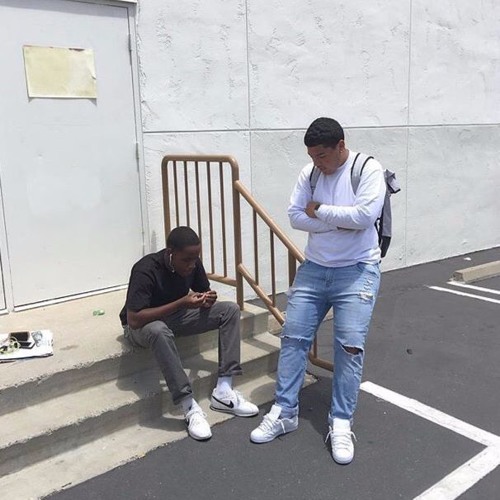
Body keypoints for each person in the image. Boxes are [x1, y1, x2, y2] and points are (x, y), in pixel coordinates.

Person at [250, 117, 386, 464]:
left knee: (349, 348)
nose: (317, 163)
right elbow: (295, 217)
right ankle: (284, 411)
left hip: (357, 270)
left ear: (341, 145)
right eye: (312, 156)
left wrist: (321, 211)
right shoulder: (309, 173)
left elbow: (364, 217)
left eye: (322, 156)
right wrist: (339, 224)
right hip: (314, 269)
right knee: (293, 338)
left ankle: (340, 422)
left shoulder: (367, 169)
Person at [120, 226, 258, 441]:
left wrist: (207, 299)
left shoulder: (192, 261)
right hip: (141, 327)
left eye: (195, 259)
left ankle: (224, 390)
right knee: (158, 329)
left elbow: (202, 290)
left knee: (230, 310)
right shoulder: (145, 269)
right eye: (186, 260)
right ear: (170, 253)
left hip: (175, 317)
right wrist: (181, 303)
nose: (192, 264)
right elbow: (134, 318)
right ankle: (188, 406)